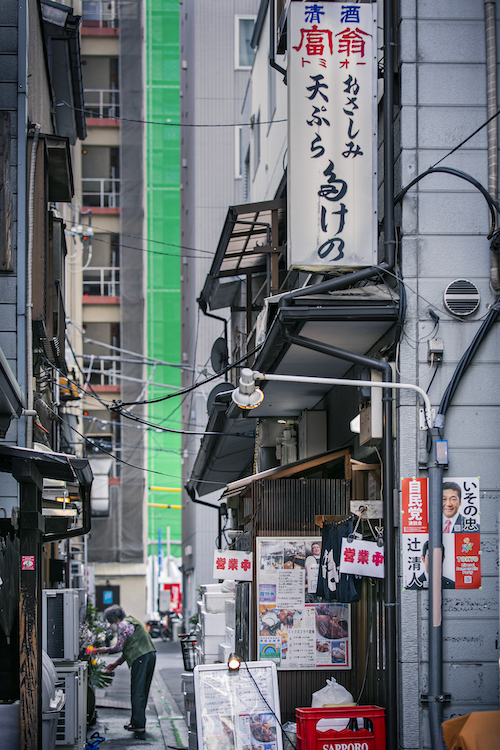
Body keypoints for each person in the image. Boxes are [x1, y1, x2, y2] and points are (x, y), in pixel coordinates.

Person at [94, 605, 156, 739]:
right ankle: (137, 721)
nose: (111, 625)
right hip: (149, 655)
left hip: (141, 658)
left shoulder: (123, 625)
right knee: (142, 690)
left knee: (137, 691)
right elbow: (129, 647)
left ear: (116, 619)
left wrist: (100, 650)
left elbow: (119, 647)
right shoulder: (131, 621)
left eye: (111, 622)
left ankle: (138, 724)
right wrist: (116, 664)